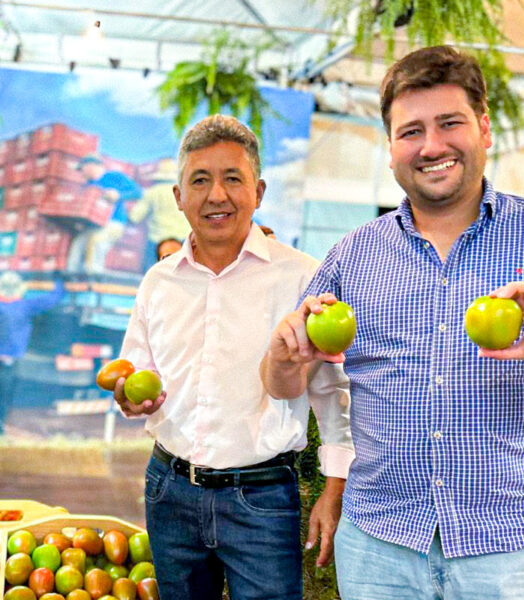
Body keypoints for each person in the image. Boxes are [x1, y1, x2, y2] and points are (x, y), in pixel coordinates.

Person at [260, 46, 524, 600]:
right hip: (380, 548)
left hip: (519, 553)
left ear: (485, 128)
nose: (432, 146)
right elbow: (284, 387)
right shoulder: (352, 255)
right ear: (391, 148)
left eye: (450, 123)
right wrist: (283, 360)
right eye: (411, 131)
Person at [113, 114, 353, 600]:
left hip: (261, 498)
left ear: (258, 191)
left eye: (232, 179)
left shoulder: (302, 277)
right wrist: (130, 396)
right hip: (169, 489)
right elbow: (137, 370)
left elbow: (331, 392)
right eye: (199, 181)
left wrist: (334, 486)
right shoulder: (158, 282)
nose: (216, 195)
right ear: (179, 198)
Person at [0, 271, 64, 434]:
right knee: (2, 399)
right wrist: (59, 281)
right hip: (6, 365)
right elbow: (53, 299)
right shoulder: (25, 306)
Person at [69, 155, 142, 273]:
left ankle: (93, 280)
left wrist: (119, 195)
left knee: (96, 241)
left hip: (113, 223)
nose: (81, 173)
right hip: (93, 226)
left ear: (90, 166)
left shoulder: (113, 177)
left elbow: (138, 192)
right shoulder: (88, 186)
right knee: (77, 245)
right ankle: (71, 280)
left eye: (81, 169)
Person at [129, 158, 192, 267]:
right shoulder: (186, 193)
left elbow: (135, 217)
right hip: (183, 240)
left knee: (151, 273)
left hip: (158, 239)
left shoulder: (152, 192)